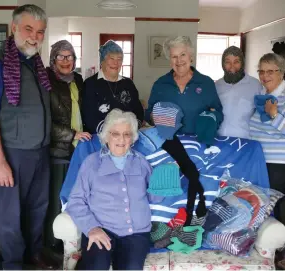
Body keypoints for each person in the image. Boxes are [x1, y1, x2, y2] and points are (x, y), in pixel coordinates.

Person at [0, 5, 58, 270]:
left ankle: (34, 255)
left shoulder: (36, 64)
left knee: (38, 207)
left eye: (40, 32)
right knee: (12, 215)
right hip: (13, 153)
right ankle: (14, 264)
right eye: (28, 29)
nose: (34, 36)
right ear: (13, 28)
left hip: (40, 151)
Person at [66, 109, 162, 270]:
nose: (121, 139)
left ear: (132, 138)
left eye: (127, 134)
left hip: (136, 233)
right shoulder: (92, 163)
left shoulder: (141, 162)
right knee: (96, 266)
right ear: (106, 136)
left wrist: (161, 184)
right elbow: (75, 201)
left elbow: (153, 199)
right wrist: (92, 228)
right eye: (115, 133)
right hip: (102, 228)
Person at [144, 36, 223, 224]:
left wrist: (210, 119)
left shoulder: (206, 83)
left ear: (191, 56)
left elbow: (218, 112)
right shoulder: (160, 84)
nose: (179, 61)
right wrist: (156, 117)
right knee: (172, 189)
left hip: (198, 145)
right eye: (173, 57)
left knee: (196, 185)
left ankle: (194, 221)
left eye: (183, 55)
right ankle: (169, 225)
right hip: (170, 146)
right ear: (169, 59)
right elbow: (148, 114)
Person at [250, 53, 285, 220]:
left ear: (281, 72)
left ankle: (274, 243)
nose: (264, 76)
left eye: (270, 71)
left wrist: (274, 115)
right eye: (261, 71)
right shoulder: (262, 95)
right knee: (261, 202)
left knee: (269, 203)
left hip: (280, 162)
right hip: (261, 158)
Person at [81, 40, 144, 134]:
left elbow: (138, 111)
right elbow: (88, 116)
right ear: (102, 61)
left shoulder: (128, 83)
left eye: (119, 59)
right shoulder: (90, 84)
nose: (116, 63)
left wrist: (131, 130)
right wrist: (111, 135)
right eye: (111, 58)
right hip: (99, 138)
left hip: (127, 137)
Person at [47, 40, 91, 159]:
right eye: (60, 56)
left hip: (80, 145)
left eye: (69, 56)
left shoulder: (77, 79)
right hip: (58, 149)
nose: (65, 61)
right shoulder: (46, 80)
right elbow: (43, 121)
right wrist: (72, 135)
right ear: (53, 59)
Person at [216, 46, 262, 139]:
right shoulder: (216, 85)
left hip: (245, 144)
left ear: (243, 63)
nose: (232, 66)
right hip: (218, 143)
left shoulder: (255, 85)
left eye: (236, 62)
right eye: (228, 62)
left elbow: (262, 115)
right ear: (223, 64)